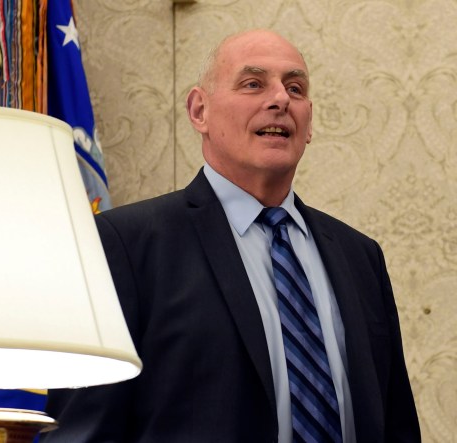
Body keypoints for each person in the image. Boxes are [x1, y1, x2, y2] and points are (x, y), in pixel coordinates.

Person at [41, 30, 420, 442]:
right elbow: (82, 432)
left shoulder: (360, 255)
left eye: (295, 88)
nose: (280, 100)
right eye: (253, 84)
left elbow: (396, 423)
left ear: (309, 121)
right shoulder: (124, 244)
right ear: (199, 110)